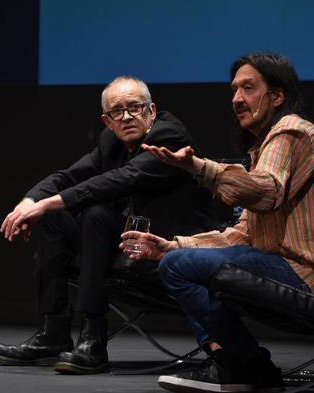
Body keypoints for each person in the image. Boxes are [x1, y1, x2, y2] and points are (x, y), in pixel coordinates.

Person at [0, 76, 216, 374]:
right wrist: (30, 202)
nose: (127, 117)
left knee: (95, 213)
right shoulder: (111, 142)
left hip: (173, 242)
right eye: (117, 112)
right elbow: (69, 176)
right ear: (107, 121)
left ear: (151, 109)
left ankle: (93, 337)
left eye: (134, 107)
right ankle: (53, 333)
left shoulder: (170, 137)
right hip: (128, 235)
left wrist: (49, 202)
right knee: (53, 217)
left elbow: (121, 180)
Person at [121, 53, 314, 393]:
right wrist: (174, 245)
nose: (237, 99)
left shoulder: (291, 131)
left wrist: (199, 168)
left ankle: (247, 365)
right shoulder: (263, 146)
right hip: (282, 265)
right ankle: (240, 365)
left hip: (302, 272)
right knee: (177, 261)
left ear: (277, 95)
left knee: (181, 267)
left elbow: (266, 192)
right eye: (235, 90)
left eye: (249, 88)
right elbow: (243, 234)